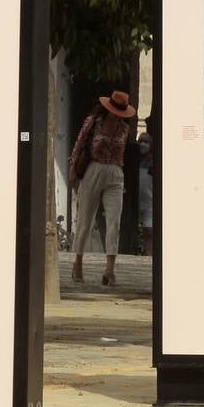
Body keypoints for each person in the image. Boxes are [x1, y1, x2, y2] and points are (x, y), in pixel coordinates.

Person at [66, 89, 135, 286]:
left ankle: (109, 270)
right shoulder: (93, 122)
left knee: (114, 221)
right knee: (85, 220)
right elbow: (79, 143)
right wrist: (72, 167)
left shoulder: (125, 128)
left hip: (115, 173)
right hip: (93, 169)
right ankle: (77, 263)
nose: (117, 114)